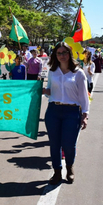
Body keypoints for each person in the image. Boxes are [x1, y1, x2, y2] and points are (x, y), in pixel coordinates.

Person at [42, 42, 89, 185]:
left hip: (72, 112)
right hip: (53, 111)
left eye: (65, 52)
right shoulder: (52, 71)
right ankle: (57, 172)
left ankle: (69, 168)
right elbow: (50, 90)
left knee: (69, 144)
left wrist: (85, 115)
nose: (62, 55)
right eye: (59, 53)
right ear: (55, 55)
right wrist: (43, 90)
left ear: (70, 53)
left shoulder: (79, 73)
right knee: (54, 144)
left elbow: (83, 96)